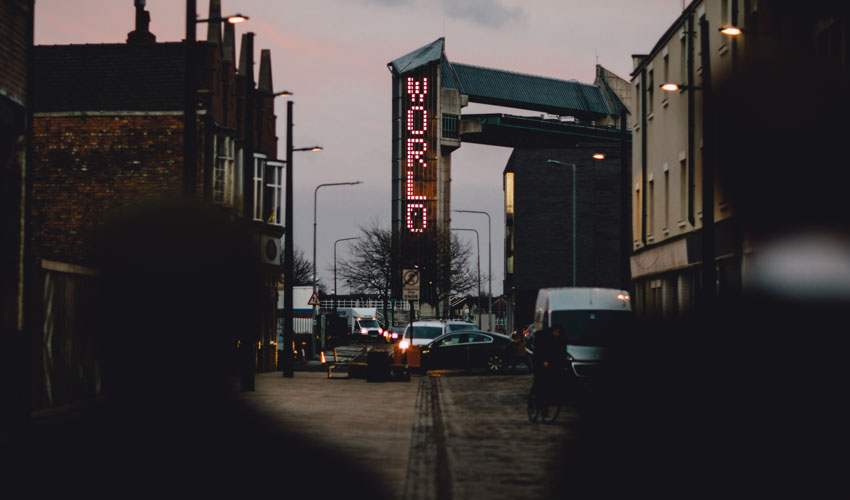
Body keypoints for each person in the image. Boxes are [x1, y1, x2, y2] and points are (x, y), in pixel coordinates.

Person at [531, 323, 568, 413]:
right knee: (540, 382)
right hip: (540, 362)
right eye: (555, 332)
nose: (556, 334)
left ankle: (551, 398)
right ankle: (539, 403)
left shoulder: (561, 340)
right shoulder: (545, 338)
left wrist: (564, 365)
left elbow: (562, 354)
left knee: (553, 381)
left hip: (552, 362)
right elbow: (540, 351)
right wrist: (543, 361)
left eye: (558, 332)